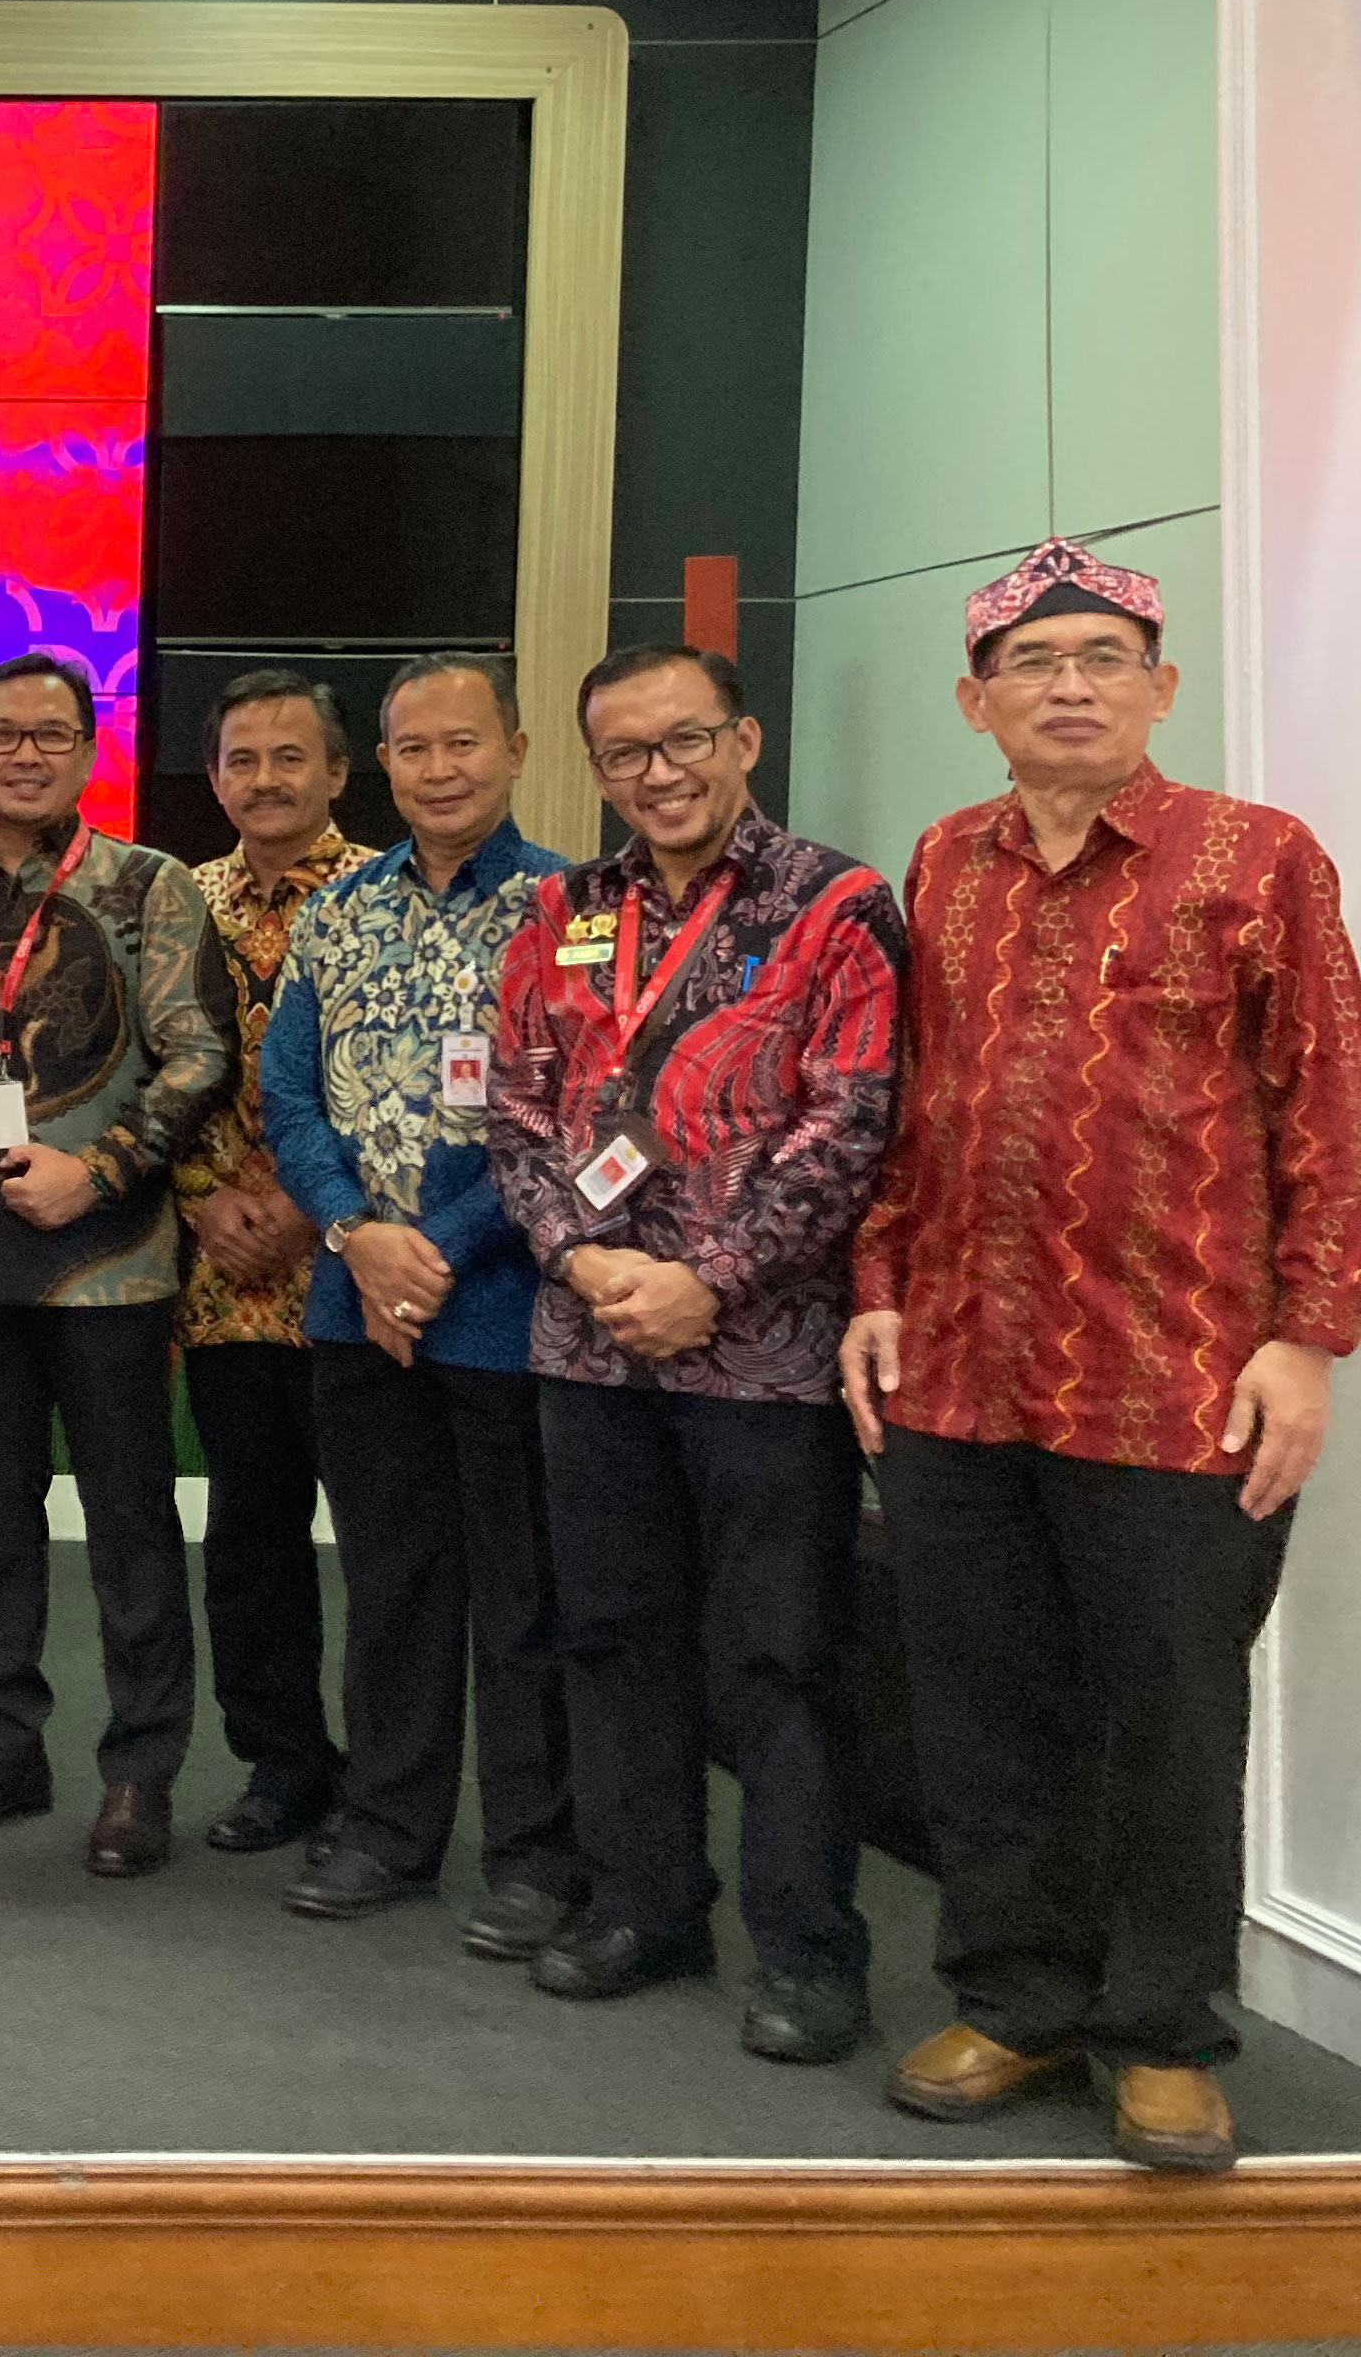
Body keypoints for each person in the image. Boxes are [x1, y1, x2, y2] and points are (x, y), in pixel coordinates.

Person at [844, 538, 1358, 2173]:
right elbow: (911, 1103)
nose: (1066, 681)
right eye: (1031, 659)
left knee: (1164, 1709)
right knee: (980, 1701)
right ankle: (1014, 1992)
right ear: (974, 696)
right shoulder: (944, 860)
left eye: (1100, 655)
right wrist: (874, 1279)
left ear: (1158, 684)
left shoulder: (1257, 857)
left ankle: (1158, 2029)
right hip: (955, 1364)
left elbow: (1327, 1115)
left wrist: (1305, 1334)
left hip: (1174, 1373)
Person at [489, 644, 903, 2065]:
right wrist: (586, 1260)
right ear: (595, 770)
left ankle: (807, 1949)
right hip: (590, 1343)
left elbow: (848, 1124)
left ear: (744, 739)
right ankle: (645, 1903)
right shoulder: (561, 911)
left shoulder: (837, 907)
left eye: (683, 743)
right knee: (610, 1636)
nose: (656, 774)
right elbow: (517, 1113)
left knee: (784, 1659)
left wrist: (706, 1281)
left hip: (764, 1359)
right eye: (625, 755)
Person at [0, 654, 231, 1876]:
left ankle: (138, 1775)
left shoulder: (148, 887)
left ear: (87, 751)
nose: (29, 753)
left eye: (55, 735)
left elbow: (197, 1057)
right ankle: (1, 1749)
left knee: (131, 1523)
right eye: (4, 734)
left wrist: (103, 1167)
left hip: (111, 1266)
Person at [262, 655, 584, 1959]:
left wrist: (431, 1252)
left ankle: (534, 1854)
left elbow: (566, 1109)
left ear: (511, 748)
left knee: (522, 1595)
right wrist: (357, 1234)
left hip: (503, 1309)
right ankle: (390, 1830)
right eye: (413, 750)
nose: (440, 771)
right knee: (392, 1582)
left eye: (464, 745)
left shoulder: (574, 907)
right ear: (380, 766)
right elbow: (291, 1097)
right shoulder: (339, 911)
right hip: (356, 1307)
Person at [167, 671, 364, 1855]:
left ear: (339, 772)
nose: (267, 780)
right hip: (225, 1282)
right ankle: (283, 1765)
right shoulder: (176, 902)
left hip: (361, 1277)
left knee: (390, 1549)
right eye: (243, 760)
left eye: (292, 758)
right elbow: (146, 1068)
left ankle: (395, 1779)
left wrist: (305, 1205)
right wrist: (201, 1203)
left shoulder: (389, 899)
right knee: (251, 1539)